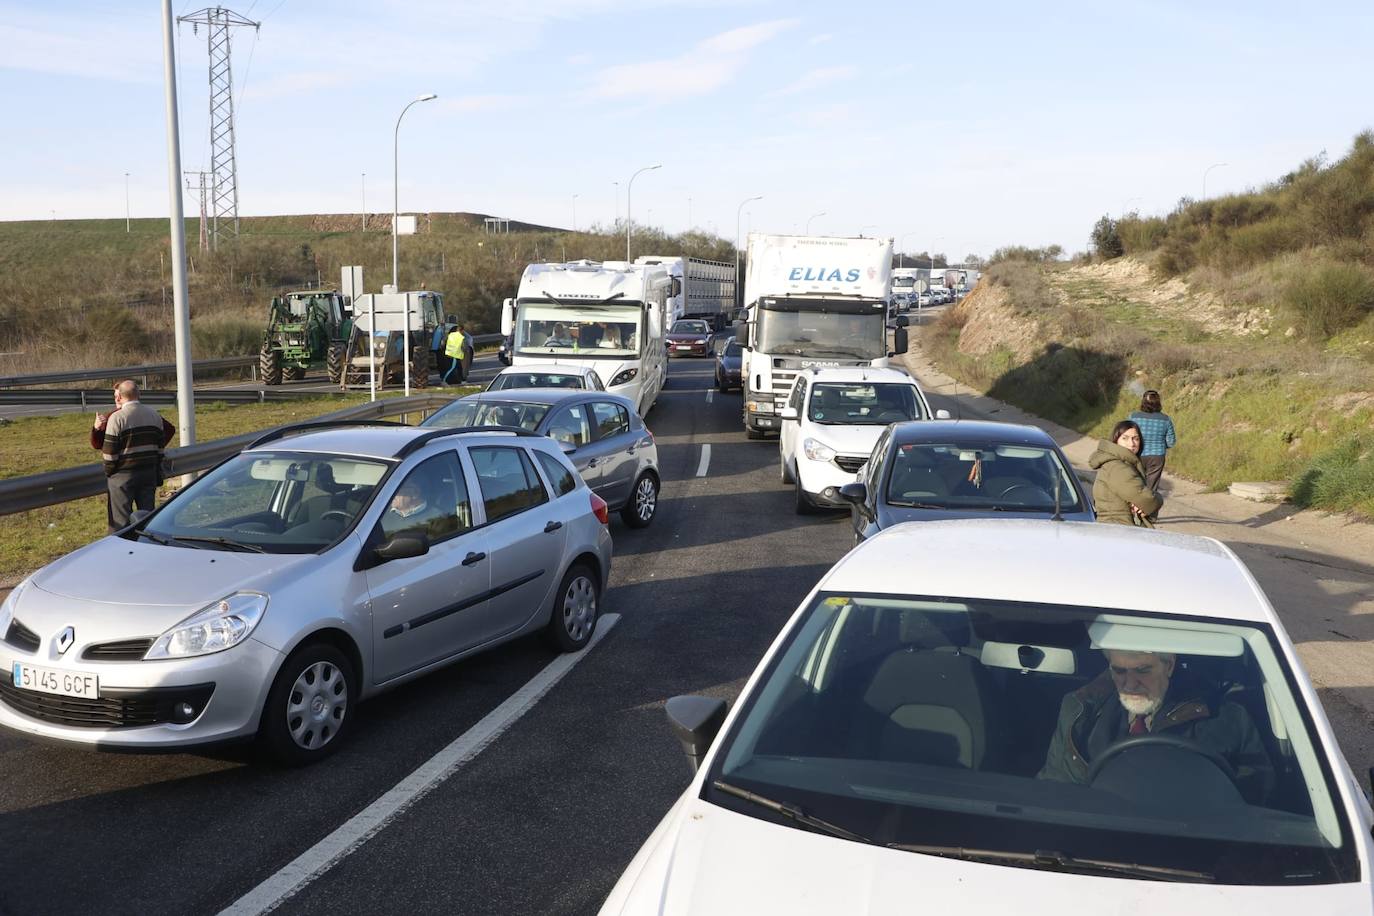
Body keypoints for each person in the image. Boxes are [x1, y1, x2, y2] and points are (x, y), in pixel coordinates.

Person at [1039, 649, 1274, 803]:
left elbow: (1256, 803)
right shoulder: (1079, 713)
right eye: (1119, 671)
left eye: (1143, 670)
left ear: (1169, 665)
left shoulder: (1228, 720)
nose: (1130, 684)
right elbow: (1053, 790)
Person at [89, 379, 176, 533]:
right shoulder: (154, 414)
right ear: (139, 394)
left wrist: (111, 473)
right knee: (147, 518)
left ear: (119, 397)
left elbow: (109, 453)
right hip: (148, 472)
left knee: (120, 523)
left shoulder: (116, 418)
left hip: (123, 476)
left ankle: (122, 552)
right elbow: (161, 447)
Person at [1089, 420, 1162, 526]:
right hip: (1119, 530)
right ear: (1115, 440)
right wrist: (1158, 499)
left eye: (1136, 438)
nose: (1132, 443)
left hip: (1115, 527)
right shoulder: (1117, 467)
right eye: (1125, 438)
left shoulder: (1121, 464)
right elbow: (1145, 498)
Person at [1129, 389, 1177, 494]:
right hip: (1157, 457)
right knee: (1151, 488)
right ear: (1158, 402)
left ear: (1143, 402)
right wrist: (1159, 444)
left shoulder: (1133, 417)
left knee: (1136, 484)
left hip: (1137, 454)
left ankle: (1134, 508)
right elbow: (1171, 442)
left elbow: (1127, 436)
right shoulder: (1166, 419)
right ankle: (1149, 508)